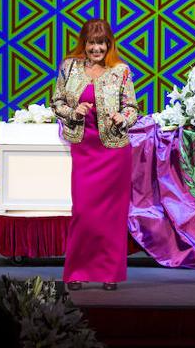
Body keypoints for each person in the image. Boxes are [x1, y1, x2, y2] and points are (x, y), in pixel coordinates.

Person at [50, 18, 138, 290]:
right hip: (85, 150)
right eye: (91, 43)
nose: (96, 48)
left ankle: (109, 274)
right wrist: (72, 112)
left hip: (113, 153)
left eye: (101, 43)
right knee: (84, 213)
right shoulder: (70, 67)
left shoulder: (121, 71)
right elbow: (56, 102)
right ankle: (77, 271)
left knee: (111, 217)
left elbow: (133, 109)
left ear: (108, 44)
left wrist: (121, 117)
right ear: (84, 44)